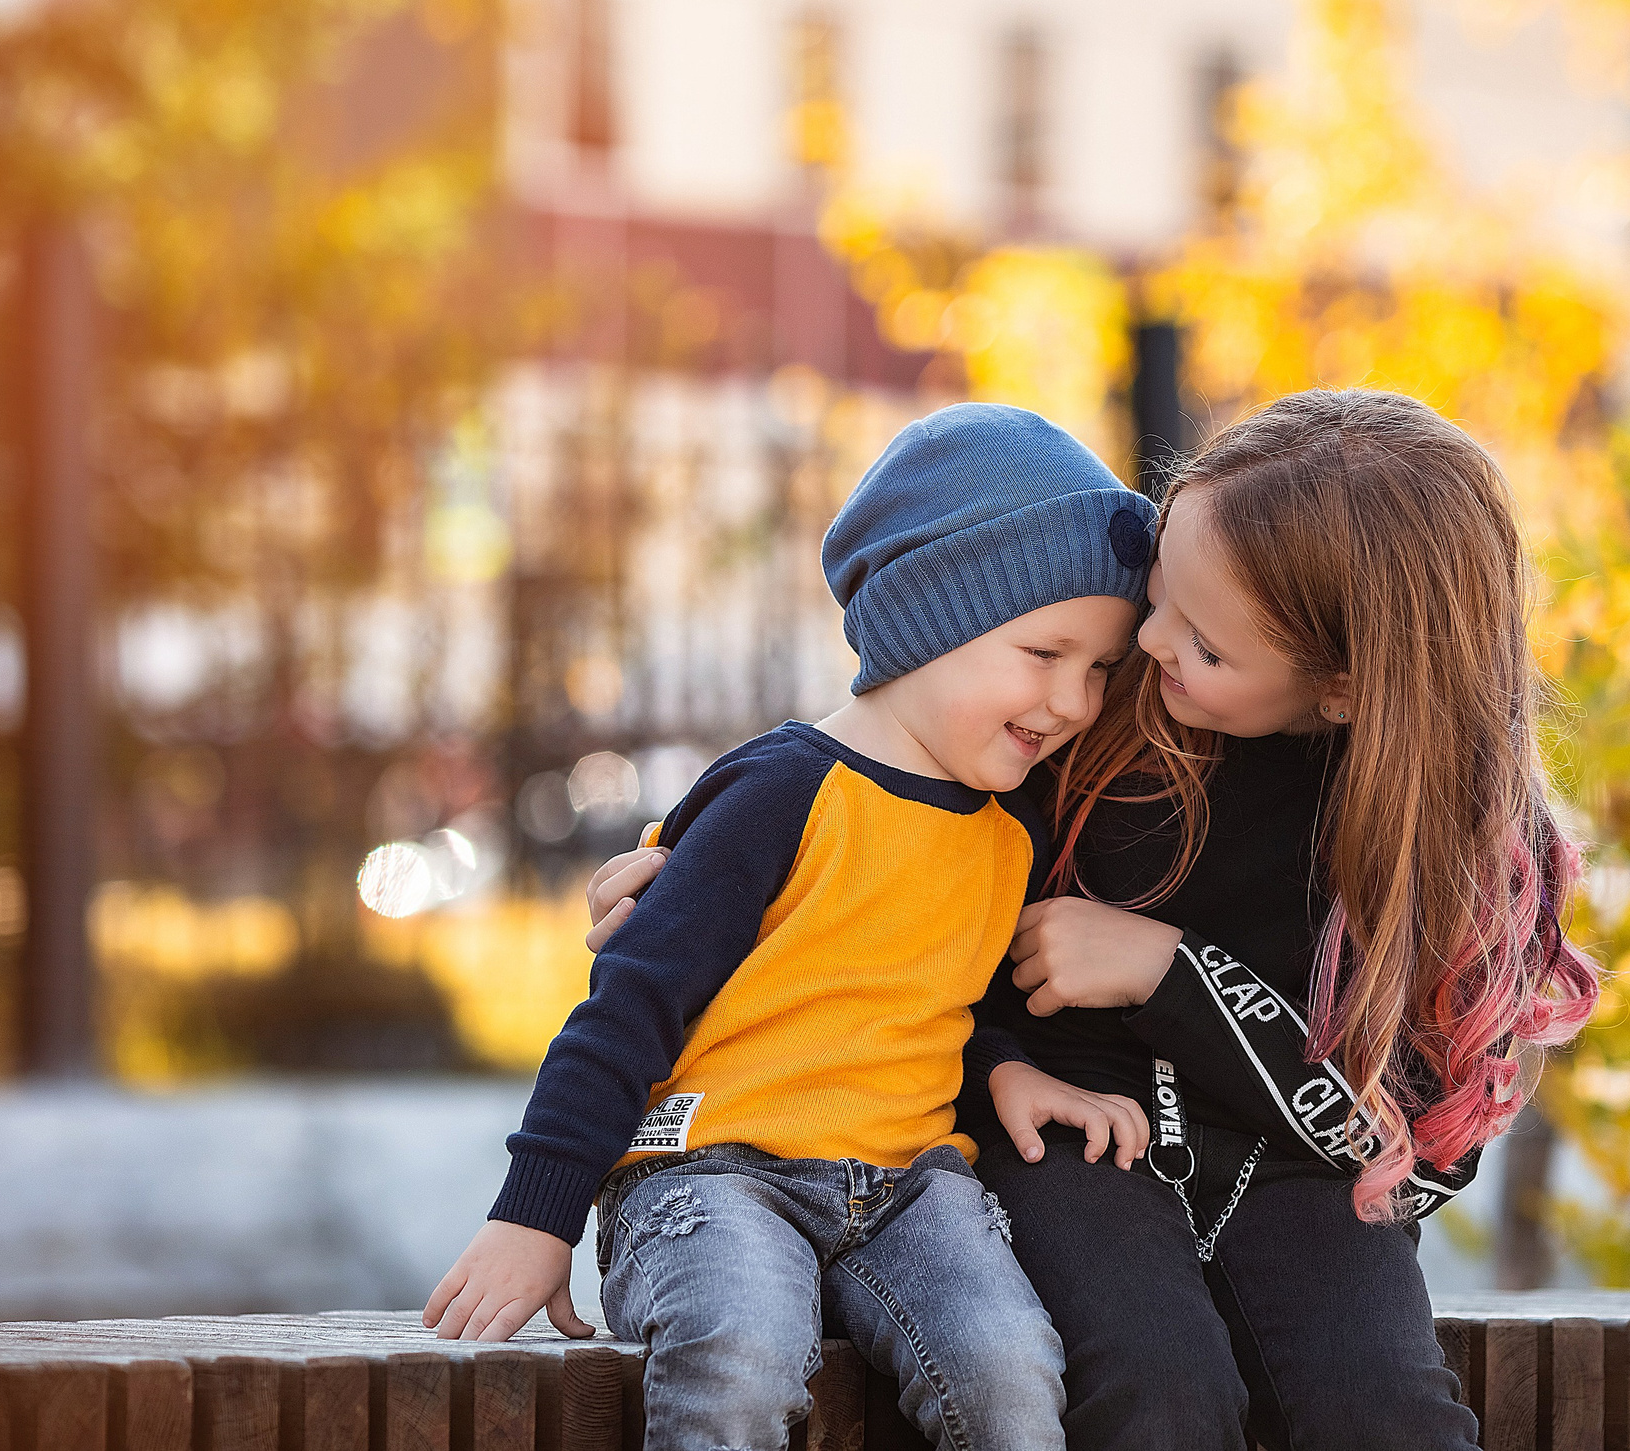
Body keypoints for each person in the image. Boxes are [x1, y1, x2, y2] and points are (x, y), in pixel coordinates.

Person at [591, 389, 1601, 1450]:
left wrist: (1175, 979)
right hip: (1074, 1129)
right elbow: (891, 779)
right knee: (1157, 1400)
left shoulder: (1470, 841)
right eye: (1159, 587)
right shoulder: (1095, 713)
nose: (1148, 639)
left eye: (1203, 643)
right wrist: (696, 862)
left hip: (1301, 1172)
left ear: (1343, 687)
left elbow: (1420, 1142)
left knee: (1387, 1418)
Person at [428, 402, 1166, 1451]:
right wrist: (534, 1214)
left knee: (1008, 1365)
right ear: (931, 618)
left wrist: (1006, 1069)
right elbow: (626, 1007)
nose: (1075, 701)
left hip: (909, 1189)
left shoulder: (1008, 831)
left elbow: (937, 997)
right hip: (716, 1174)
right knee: (737, 1350)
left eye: (1099, 669)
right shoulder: (782, 789)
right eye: (1044, 652)